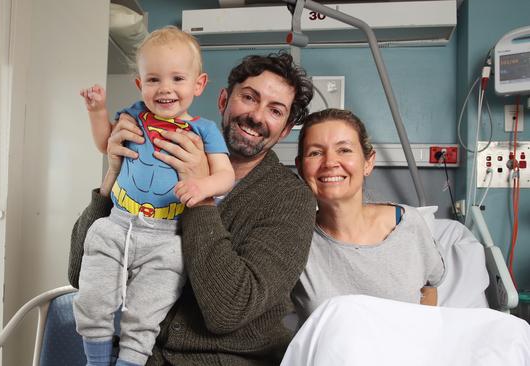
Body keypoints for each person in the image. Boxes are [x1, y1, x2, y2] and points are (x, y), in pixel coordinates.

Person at [68, 51, 316, 365]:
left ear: (284, 129)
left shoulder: (290, 199)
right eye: (249, 97)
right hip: (140, 356)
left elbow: (229, 311)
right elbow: (79, 272)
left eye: (275, 110)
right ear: (224, 100)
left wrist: (201, 191)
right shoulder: (162, 154)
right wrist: (114, 172)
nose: (256, 115)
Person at [73, 26, 235, 366]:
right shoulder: (134, 115)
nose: (165, 89)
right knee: (92, 297)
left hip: (166, 238)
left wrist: (202, 187)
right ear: (140, 84)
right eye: (154, 79)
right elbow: (106, 145)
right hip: (117, 224)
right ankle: (95, 359)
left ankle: (130, 361)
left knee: (145, 314)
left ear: (198, 84)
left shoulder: (203, 130)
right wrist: (97, 112)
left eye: (178, 78)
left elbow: (225, 175)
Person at [290, 108, 446, 325]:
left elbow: (429, 286)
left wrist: (421, 337)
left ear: (368, 162)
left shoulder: (408, 225)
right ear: (300, 167)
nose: (330, 162)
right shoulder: (293, 239)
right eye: (315, 153)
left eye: (344, 150)